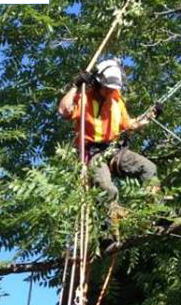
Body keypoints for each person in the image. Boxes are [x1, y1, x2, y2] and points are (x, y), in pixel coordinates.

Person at [57, 59, 161, 226]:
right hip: (91, 153)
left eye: (112, 89)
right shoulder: (85, 97)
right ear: (98, 83)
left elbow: (130, 124)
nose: (109, 91)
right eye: (107, 88)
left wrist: (151, 115)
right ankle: (110, 229)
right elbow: (64, 110)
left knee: (149, 168)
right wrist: (76, 86)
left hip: (113, 150)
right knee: (107, 188)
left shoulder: (116, 101)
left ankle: (156, 212)